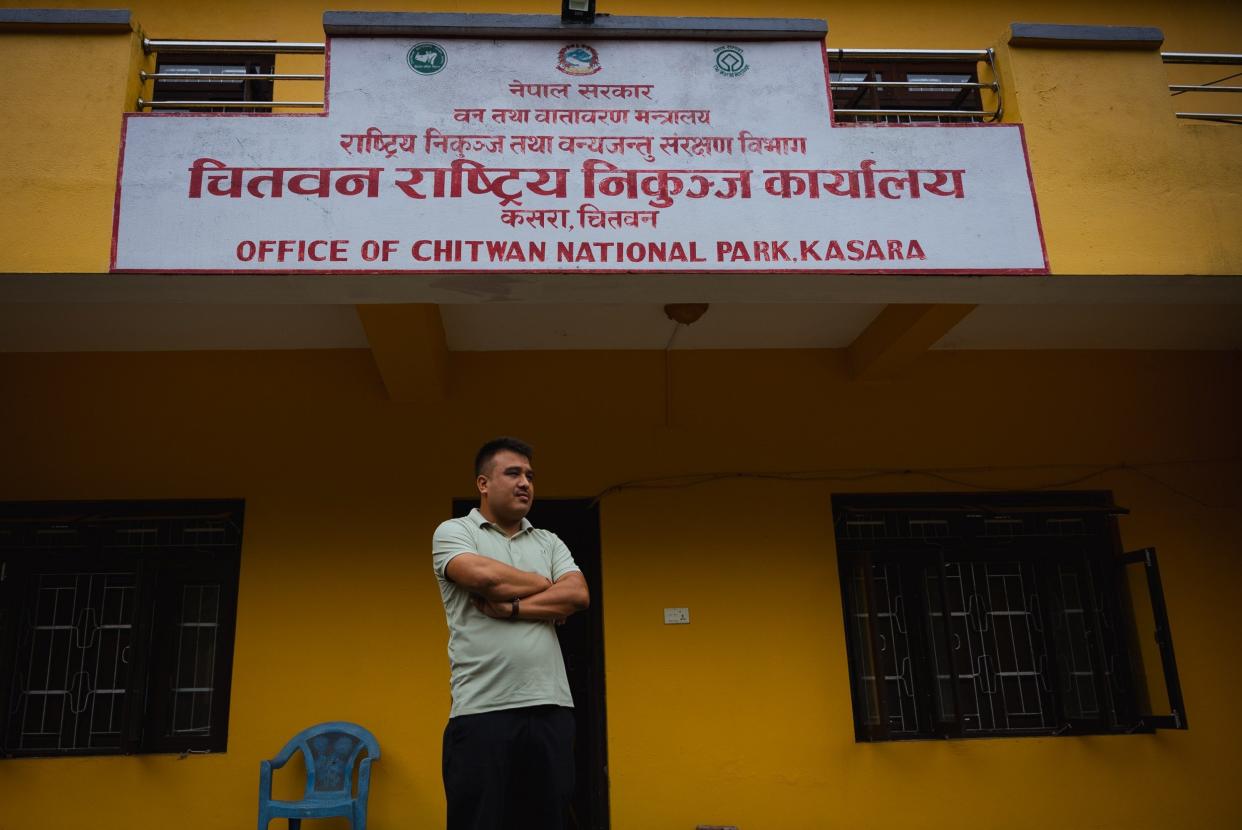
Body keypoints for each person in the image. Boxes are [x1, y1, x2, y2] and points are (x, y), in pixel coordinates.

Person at [432, 436, 590, 830]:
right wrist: (543, 583)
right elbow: (483, 576)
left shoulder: (548, 540)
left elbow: (578, 594)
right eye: (513, 473)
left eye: (530, 476)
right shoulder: (455, 532)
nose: (525, 483)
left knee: (547, 820)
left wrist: (513, 608)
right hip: (482, 711)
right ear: (483, 484)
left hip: (550, 708)